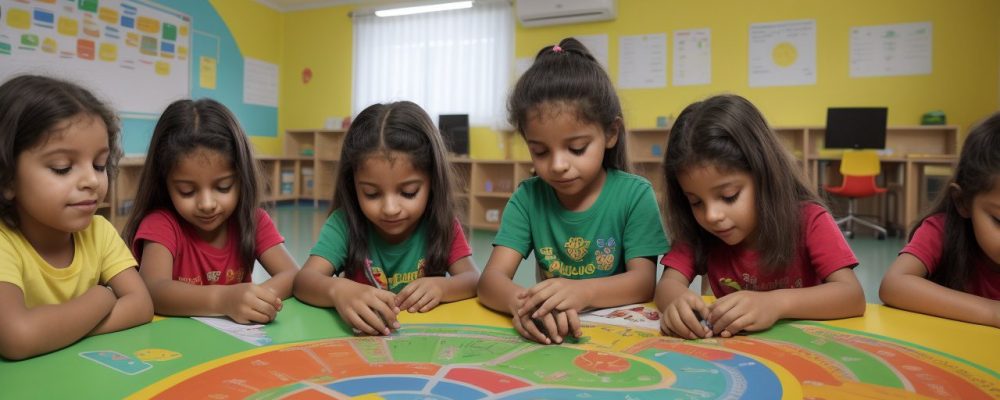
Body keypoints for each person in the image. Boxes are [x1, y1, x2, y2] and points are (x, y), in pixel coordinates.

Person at [477, 38, 670, 344]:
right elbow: (490, 281)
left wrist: (582, 291)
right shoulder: (528, 198)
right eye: (540, 151)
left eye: (577, 148)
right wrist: (522, 304)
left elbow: (644, 283)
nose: (557, 165)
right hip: (554, 337)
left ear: (610, 133)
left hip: (619, 338)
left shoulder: (634, 195)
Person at [656, 94, 865, 340]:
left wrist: (776, 304)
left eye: (729, 195)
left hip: (806, 350)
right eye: (696, 202)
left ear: (764, 175)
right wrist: (678, 301)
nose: (711, 215)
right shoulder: (699, 229)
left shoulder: (809, 220)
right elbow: (667, 286)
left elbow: (852, 296)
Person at [0, 75, 152, 360]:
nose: (92, 181)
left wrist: (54, 330)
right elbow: (17, 337)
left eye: (99, 165)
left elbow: (141, 305)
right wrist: (101, 298)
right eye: (62, 167)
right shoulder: (4, 243)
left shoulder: (100, 232)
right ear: (7, 178)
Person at [294, 101, 479, 335]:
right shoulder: (345, 224)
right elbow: (304, 281)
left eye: (408, 192)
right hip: (362, 348)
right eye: (371, 194)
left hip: (422, 346)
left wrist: (443, 287)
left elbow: (474, 279)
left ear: (433, 181)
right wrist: (338, 290)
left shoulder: (441, 223)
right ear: (353, 186)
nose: (390, 209)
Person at [122, 99, 297, 324]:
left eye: (223, 187)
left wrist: (254, 299)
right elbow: (153, 289)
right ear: (164, 183)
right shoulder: (161, 224)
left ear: (242, 177)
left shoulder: (253, 221)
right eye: (186, 191)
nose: (206, 204)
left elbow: (294, 275)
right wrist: (224, 300)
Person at [880, 112, 1000, 327]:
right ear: (962, 202)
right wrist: (993, 312)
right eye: (999, 220)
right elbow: (894, 285)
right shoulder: (942, 229)